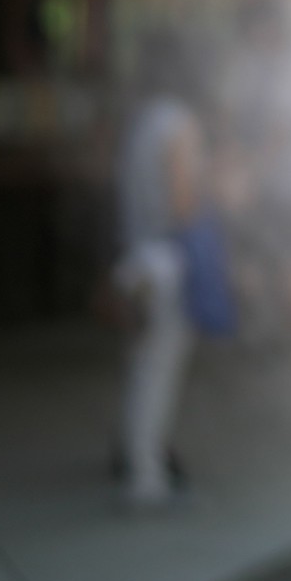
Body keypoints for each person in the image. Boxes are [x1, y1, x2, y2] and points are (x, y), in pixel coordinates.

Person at [112, 73, 207, 508]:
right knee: (159, 373)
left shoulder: (142, 121)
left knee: (142, 367)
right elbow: (183, 201)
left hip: (138, 258)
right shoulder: (179, 121)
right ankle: (148, 479)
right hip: (168, 260)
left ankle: (134, 457)